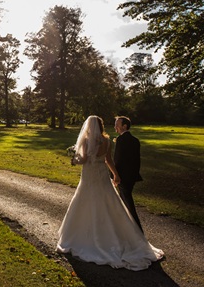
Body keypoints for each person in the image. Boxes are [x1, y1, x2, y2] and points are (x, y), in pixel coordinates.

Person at [57, 115, 163, 270]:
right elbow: (108, 160)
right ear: (101, 126)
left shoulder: (87, 141)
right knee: (108, 200)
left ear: (88, 127)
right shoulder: (106, 141)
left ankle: (89, 239)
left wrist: (74, 160)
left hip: (89, 175)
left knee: (85, 200)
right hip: (101, 174)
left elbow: (84, 159)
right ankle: (120, 237)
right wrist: (115, 174)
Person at [113, 116, 143, 232]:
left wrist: (115, 176)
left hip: (122, 177)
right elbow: (137, 160)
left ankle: (137, 230)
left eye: (117, 124)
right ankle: (124, 229)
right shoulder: (135, 140)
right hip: (132, 176)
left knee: (127, 203)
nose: (115, 127)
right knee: (123, 202)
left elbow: (118, 160)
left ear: (124, 126)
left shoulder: (121, 140)